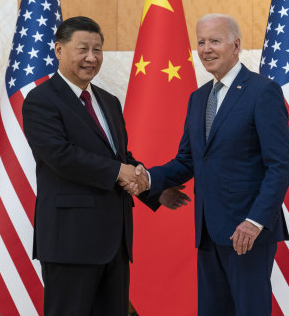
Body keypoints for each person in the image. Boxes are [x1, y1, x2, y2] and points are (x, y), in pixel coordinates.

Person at [22, 16, 187, 316]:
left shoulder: (108, 101)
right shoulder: (40, 100)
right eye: (82, 48)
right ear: (59, 50)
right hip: (70, 243)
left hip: (115, 242)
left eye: (97, 50)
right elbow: (60, 155)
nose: (91, 57)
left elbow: (119, 157)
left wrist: (151, 186)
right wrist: (118, 172)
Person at [147, 14, 289, 315]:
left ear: (236, 45)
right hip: (208, 231)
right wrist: (147, 178)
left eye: (214, 41)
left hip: (247, 233)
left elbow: (280, 165)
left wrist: (254, 222)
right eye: (201, 42)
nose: (206, 49)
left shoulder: (262, 91)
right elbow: (188, 160)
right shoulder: (198, 98)